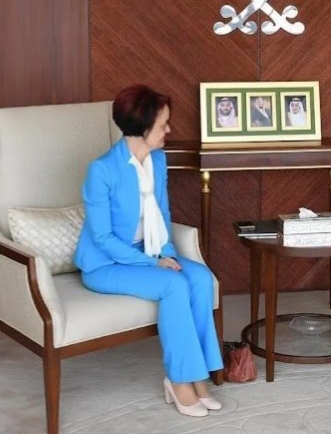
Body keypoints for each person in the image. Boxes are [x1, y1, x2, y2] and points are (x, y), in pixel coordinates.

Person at [74, 85, 223, 418]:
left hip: (149, 252)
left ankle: (200, 376)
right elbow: (102, 237)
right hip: (106, 264)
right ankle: (179, 380)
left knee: (200, 278)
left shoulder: (158, 159)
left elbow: (163, 214)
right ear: (142, 127)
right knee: (174, 285)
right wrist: (152, 263)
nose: (169, 130)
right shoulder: (102, 170)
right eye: (163, 125)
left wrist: (166, 254)